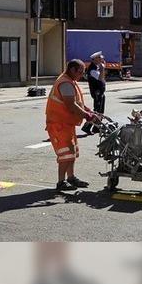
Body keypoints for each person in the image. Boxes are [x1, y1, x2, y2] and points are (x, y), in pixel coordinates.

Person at [46, 59, 100, 191]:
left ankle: (71, 178)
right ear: (72, 70)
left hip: (66, 124)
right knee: (66, 154)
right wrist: (87, 116)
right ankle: (61, 182)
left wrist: (89, 111)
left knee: (72, 153)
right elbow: (71, 105)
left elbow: (77, 102)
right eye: (80, 72)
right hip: (59, 124)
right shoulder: (65, 83)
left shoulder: (70, 81)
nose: (82, 75)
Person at [81, 51, 106, 135]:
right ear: (95, 59)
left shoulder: (96, 67)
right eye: (99, 57)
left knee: (101, 111)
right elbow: (100, 78)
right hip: (97, 93)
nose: (101, 59)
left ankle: (96, 127)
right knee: (96, 111)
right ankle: (86, 127)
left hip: (100, 92)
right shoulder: (92, 69)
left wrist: (101, 67)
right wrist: (102, 68)